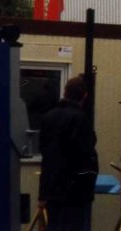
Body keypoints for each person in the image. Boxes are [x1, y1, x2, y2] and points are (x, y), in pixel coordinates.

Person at [38, 77, 99, 231]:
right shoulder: (80, 119)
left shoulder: (47, 118)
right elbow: (85, 153)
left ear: (65, 92)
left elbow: (45, 152)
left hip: (52, 189)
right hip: (76, 192)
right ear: (84, 96)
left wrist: (43, 192)